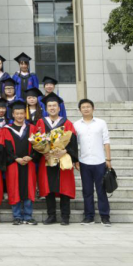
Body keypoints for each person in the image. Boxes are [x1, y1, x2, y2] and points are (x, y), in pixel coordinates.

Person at [36, 93, 78, 226]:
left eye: (54, 106)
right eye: (49, 106)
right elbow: (37, 140)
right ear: (46, 108)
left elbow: (73, 141)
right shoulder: (40, 122)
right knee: (48, 188)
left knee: (64, 187)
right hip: (46, 159)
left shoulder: (67, 123)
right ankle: (51, 216)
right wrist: (43, 152)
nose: (52, 108)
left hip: (63, 160)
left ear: (59, 108)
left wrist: (65, 151)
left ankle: (65, 216)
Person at [0, 101, 39, 226]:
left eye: (22, 113)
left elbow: (39, 146)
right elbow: (4, 148)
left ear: (25, 114)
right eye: (17, 113)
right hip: (13, 164)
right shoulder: (6, 130)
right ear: (13, 114)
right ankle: (17, 216)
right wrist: (15, 158)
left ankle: (28, 216)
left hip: (29, 163)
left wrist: (31, 157)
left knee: (29, 188)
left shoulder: (32, 128)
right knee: (14, 188)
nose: (20, 116)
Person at [74, 99, 112, 227]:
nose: (86, 109)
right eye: (83, 107)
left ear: (93, 108)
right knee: (87, 191)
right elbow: (75, 144)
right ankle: (89, 216)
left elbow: (106, 141)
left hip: (100, 161)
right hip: (84, 162)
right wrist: (76, 160)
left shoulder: (101, 123)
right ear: (80, 110)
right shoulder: (76, 125)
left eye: (88, 107)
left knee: (101, 190)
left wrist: (108, 159)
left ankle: (105, 216)